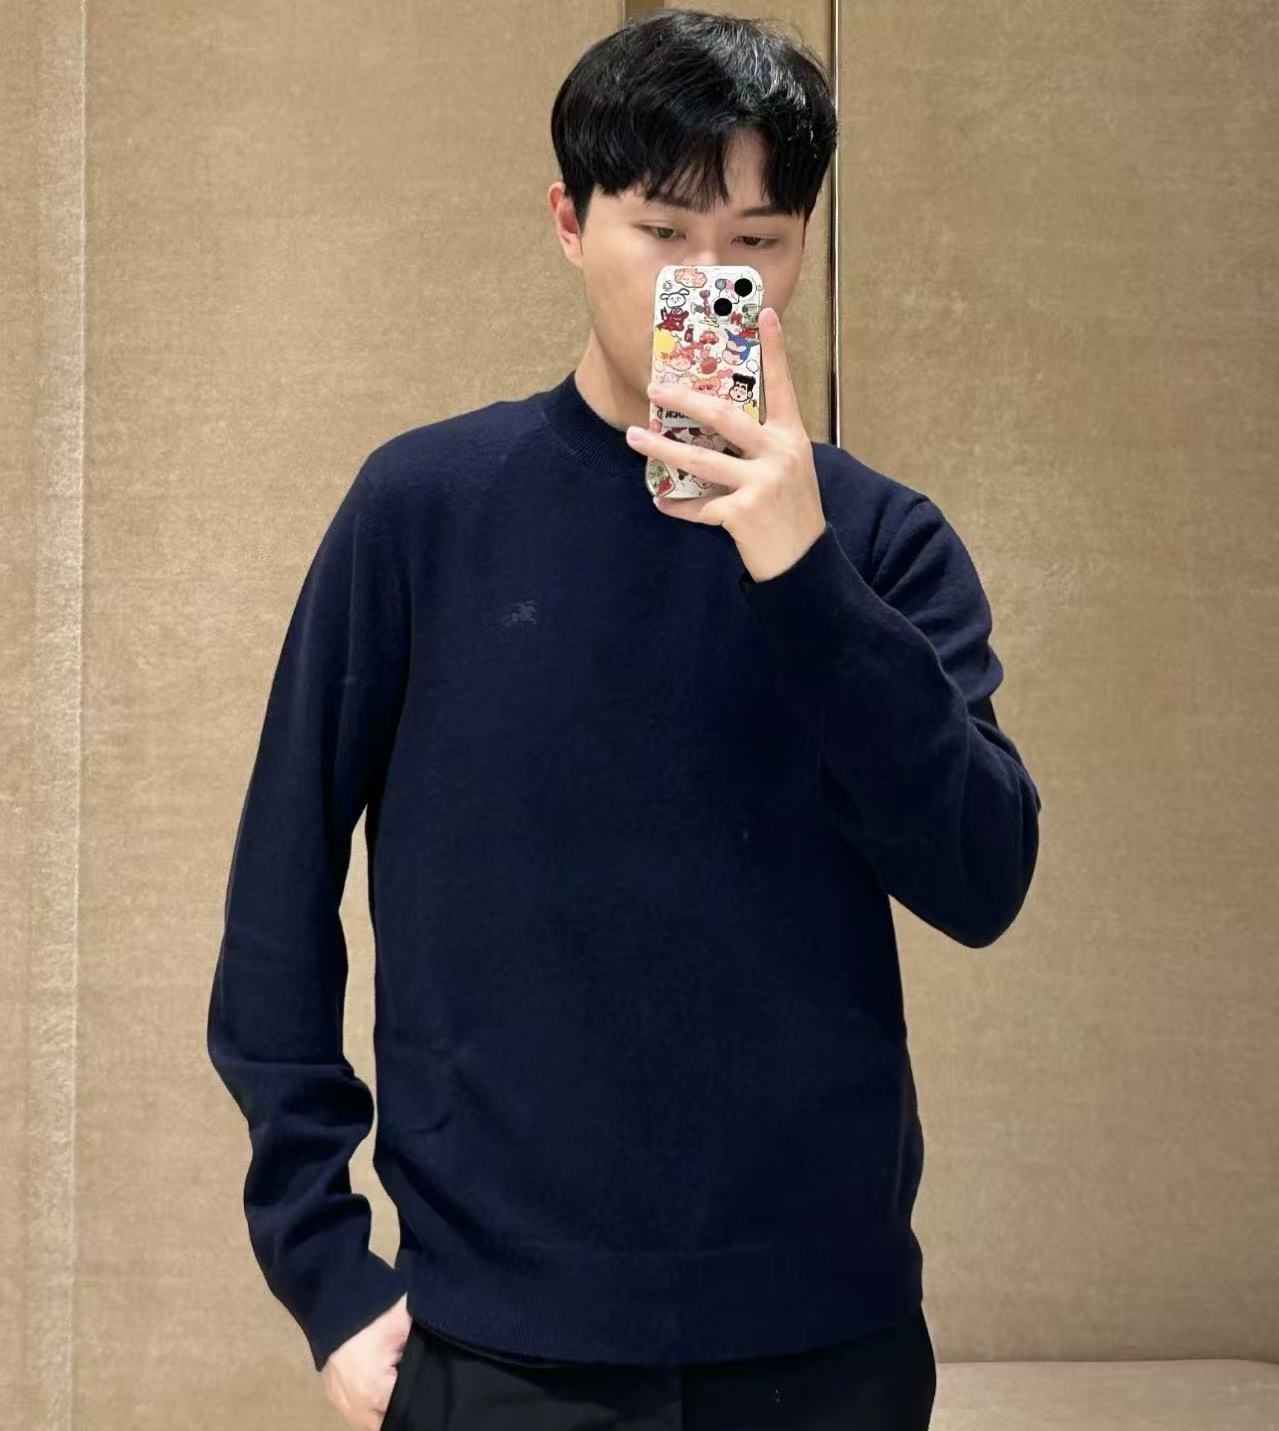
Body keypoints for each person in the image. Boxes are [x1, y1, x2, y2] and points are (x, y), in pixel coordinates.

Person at [207, 9, 1042, 1429]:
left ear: (802, 248)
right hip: (498, 1346)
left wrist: (801, 567)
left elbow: (981, 878)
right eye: (661, 231)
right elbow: (277, 900)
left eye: (756, 242)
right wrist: (325, 1270)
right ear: (568, 222)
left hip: (825, 1344)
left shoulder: (880, 543)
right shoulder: (423, 511)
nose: (705, 283)